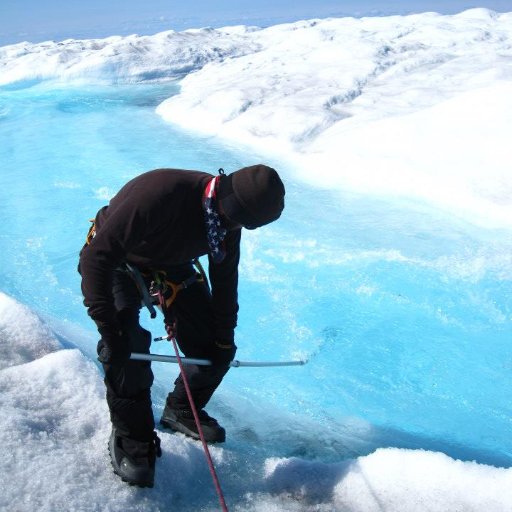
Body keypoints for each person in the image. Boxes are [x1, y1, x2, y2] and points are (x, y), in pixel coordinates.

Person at [78, 164, 285, 488]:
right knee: (126, 347)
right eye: (229, 217)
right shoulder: (160, 194)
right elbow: (96, 259)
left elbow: (226, 283)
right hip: (120, 262)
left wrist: (224, 339)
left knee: (214, 346)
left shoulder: (227, 225)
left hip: (170, 265)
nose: (229, 226)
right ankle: (133, 439)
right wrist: (108, 327)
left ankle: (181, 409)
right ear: (224, 191)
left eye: (238, 223)